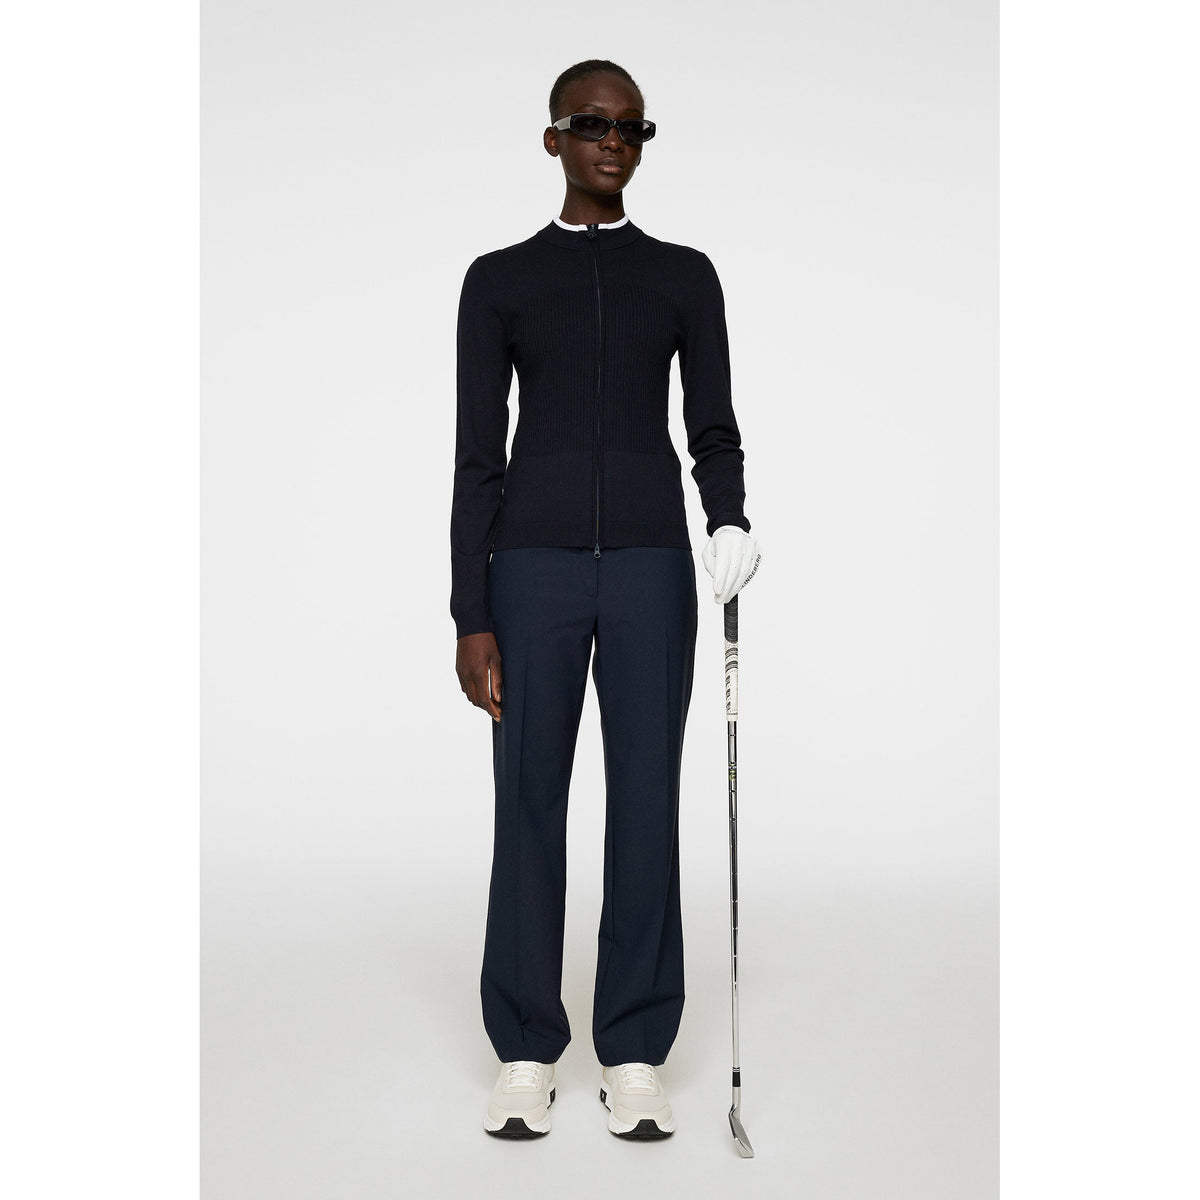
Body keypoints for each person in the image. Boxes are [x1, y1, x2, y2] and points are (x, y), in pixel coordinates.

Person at [451, 59, 763, 1140]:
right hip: (529, 571)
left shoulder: (682, 277)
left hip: (647, 569)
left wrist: (728, 518)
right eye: (592, 123)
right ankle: (526, 1046)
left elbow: (712, 425)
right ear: (554, 138)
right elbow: (476, 458)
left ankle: (632, 1048)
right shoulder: (498, 280)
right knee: (527, 802)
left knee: (644, 803)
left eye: (632, 127)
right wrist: (471, 611)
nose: (613, 141)